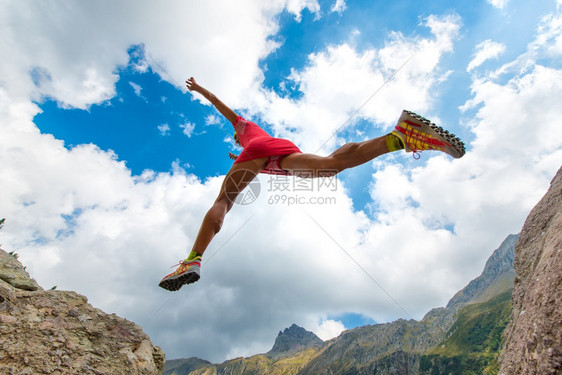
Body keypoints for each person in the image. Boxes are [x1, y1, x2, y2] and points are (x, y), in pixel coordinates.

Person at [158, 77, 465, 291]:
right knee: (331, 166)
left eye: (236, 137)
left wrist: (200, 90)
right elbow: (259, 158)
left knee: (224, 200)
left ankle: (192, 260)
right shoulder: (253, 147)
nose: (236, 136)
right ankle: (401, 136)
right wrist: (240, 155)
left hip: (264, 153)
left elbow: (220, 106)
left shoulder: (246, 128)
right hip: (282, 154)